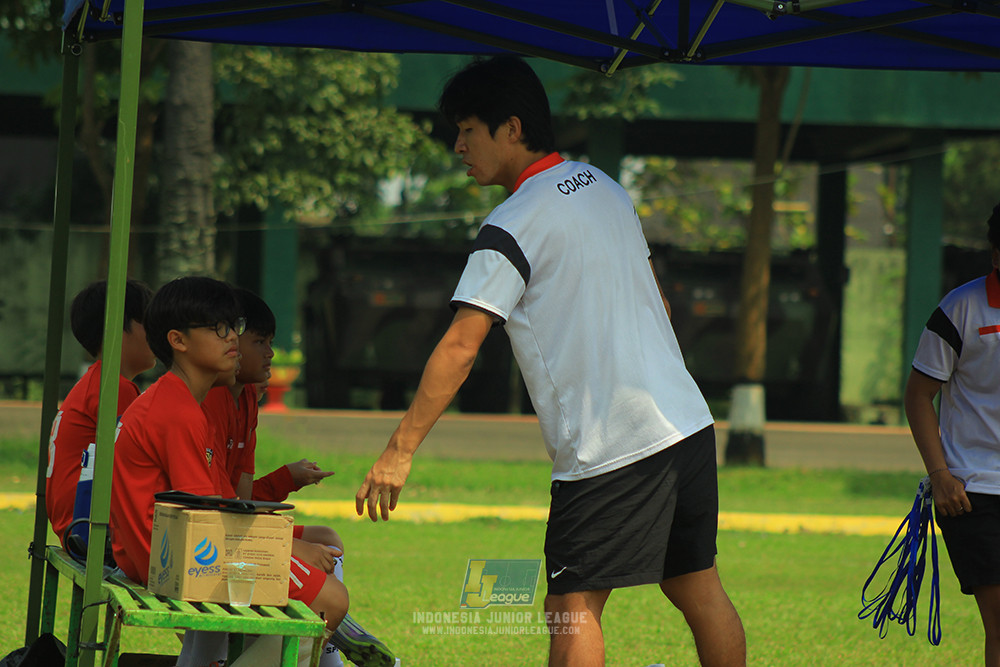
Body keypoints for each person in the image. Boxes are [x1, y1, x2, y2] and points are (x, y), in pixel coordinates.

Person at [355, 56, 745, 667]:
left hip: (610, 446)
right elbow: (661, 303)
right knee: (697, 585)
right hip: (687, 424)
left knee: (571, 605)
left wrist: (398, 451)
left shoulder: (511, 223)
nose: (458, 147)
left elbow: (461, 346)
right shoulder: (606, 187)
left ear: (511, 129)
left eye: (468, 130)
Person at [108, 277, 349, 655]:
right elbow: (209, 520)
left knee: (323, 576)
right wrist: (287, 546)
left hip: (166, 551)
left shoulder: (182, 402)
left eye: (233, 326)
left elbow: (219, 503)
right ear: (178, 340)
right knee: (331, 600)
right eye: (217, 328)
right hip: (169, 560)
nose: (232, 338)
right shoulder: (179, 411)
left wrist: (285, 543)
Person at [200, 286, 394, 667]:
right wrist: (289, 546)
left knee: (328, 542)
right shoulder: (211, 401)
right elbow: (217, 511)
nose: (271, 354)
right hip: (204, 544)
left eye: (270, 342)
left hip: (220, 533)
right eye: (260, 342)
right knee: (331, 598)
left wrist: (285, 479)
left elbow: (240, 501)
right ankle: (326, 654)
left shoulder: (244, 401)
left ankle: (324, 655)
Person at [905, 202, 1000, 667]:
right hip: (976, 492)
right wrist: (941, 476)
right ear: (996, 254)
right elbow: (918, 396)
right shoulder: (960, 308)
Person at [46, 278, 155, 551]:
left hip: (73, 525)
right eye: (148, 322)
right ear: (116, 327)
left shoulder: (98, 382)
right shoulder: (114, 388)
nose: (158, 332)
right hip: (89, 529)